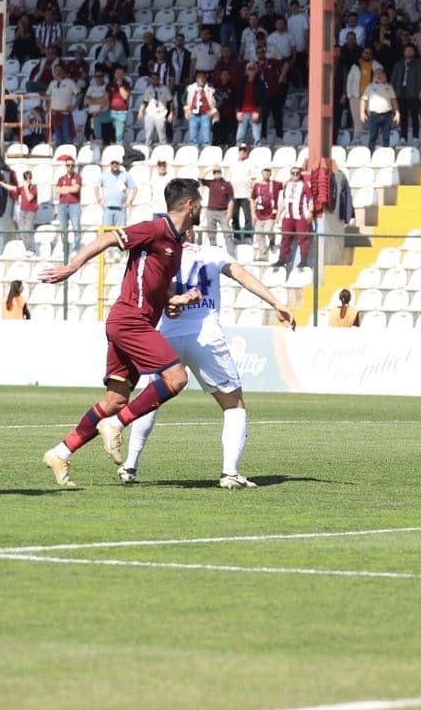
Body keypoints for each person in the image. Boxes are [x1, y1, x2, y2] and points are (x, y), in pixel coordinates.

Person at [37, 178, 204, 487]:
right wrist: (71, 267)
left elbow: (157, 288)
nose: (202, 207)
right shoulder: (155, 229)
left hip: (132, 322)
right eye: (200, 202)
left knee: (115, 399)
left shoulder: (177, 245)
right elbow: (107, 239)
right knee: (177, 378)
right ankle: (116, 424)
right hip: (130, 321)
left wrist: (173, 301)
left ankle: (60, 453)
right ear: (190, 204)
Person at [96, 241, 297, 487]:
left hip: (168, 337)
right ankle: (229, 473)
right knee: (234, 404)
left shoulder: (163, 255)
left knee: (152, 399)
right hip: (206, 338)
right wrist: (277, 303)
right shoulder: (212, 253)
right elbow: (242, 276)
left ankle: (129, 465)